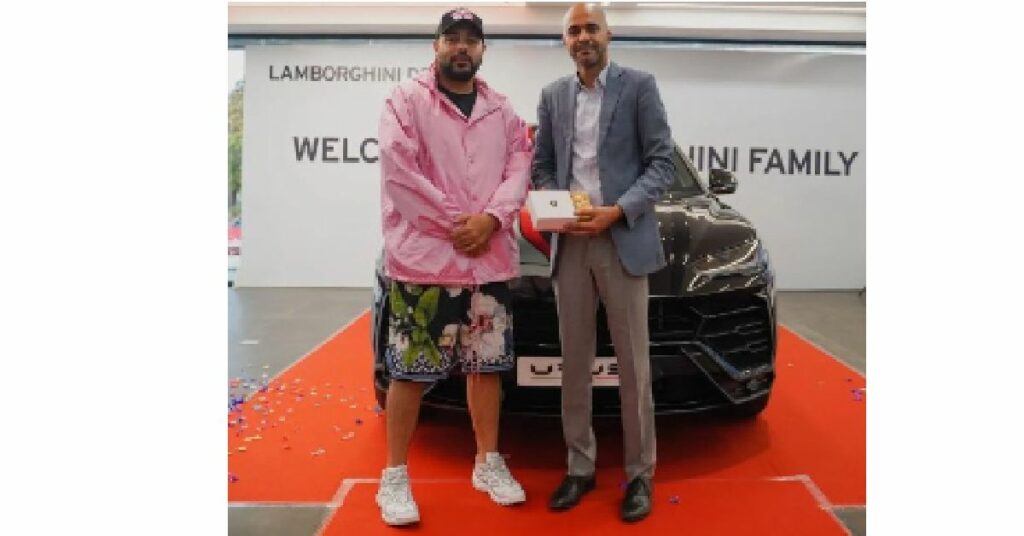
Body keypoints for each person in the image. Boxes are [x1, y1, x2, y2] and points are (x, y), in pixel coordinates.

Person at [374, 6, 532, 527]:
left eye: (471, 40)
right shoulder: (405, 102)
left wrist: (490, 219)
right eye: (452, 38)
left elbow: (518, 169)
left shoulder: (503, 111)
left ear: (484, 50)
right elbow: (400, 174)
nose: (461, 47)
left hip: (487, 263)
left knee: (487, 368)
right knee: (410, 372)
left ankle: (488, 462)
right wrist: (456, 225)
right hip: (425, 264)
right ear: (436, 46)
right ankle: (394, 475)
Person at [530, 2, 675, 523]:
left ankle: (639, 474)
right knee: (574, 361)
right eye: (573, 30)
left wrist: (617, 211)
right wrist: (557, 205)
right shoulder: (552, 96)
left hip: (622, 238)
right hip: (570, 242)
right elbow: (542, 164)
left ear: (608, 34)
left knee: (633, 365)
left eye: (591, 27)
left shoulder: (640, 87)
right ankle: (580, 466)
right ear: (565, 41)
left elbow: (661, 163)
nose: (583, 36)